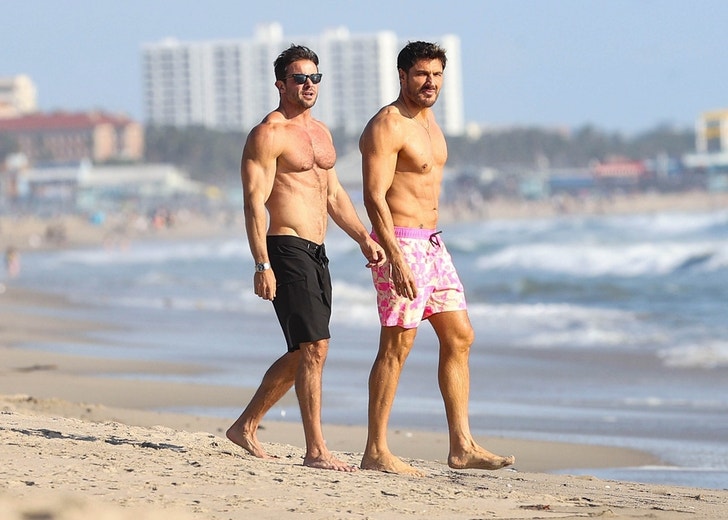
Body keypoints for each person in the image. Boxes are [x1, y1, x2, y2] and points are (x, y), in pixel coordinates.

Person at [359, 41, 516, 476]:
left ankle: (461, 445)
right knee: (398, 343)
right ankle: (375, 450)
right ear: (403, 76)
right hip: (401, 244)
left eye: (437, 74)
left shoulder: (430, 123)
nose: (430, 83)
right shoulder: (387, 126)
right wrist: (394, 257)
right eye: (422, 74)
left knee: (460, 335)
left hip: (431, 243)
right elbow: (373, 196)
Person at [226, 44, 385, 472]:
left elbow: (333, 195)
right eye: (300, 78)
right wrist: (261, 263)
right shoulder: (268, 134)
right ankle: (316, 450)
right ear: (280, 83)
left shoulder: (322, 134)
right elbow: (253, 203)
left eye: (315, 78)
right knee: (315, 346)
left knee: (305, 349)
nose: (309, 85)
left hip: (318, 251)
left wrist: (363, 238)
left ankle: (245, 425)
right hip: (285, 246)